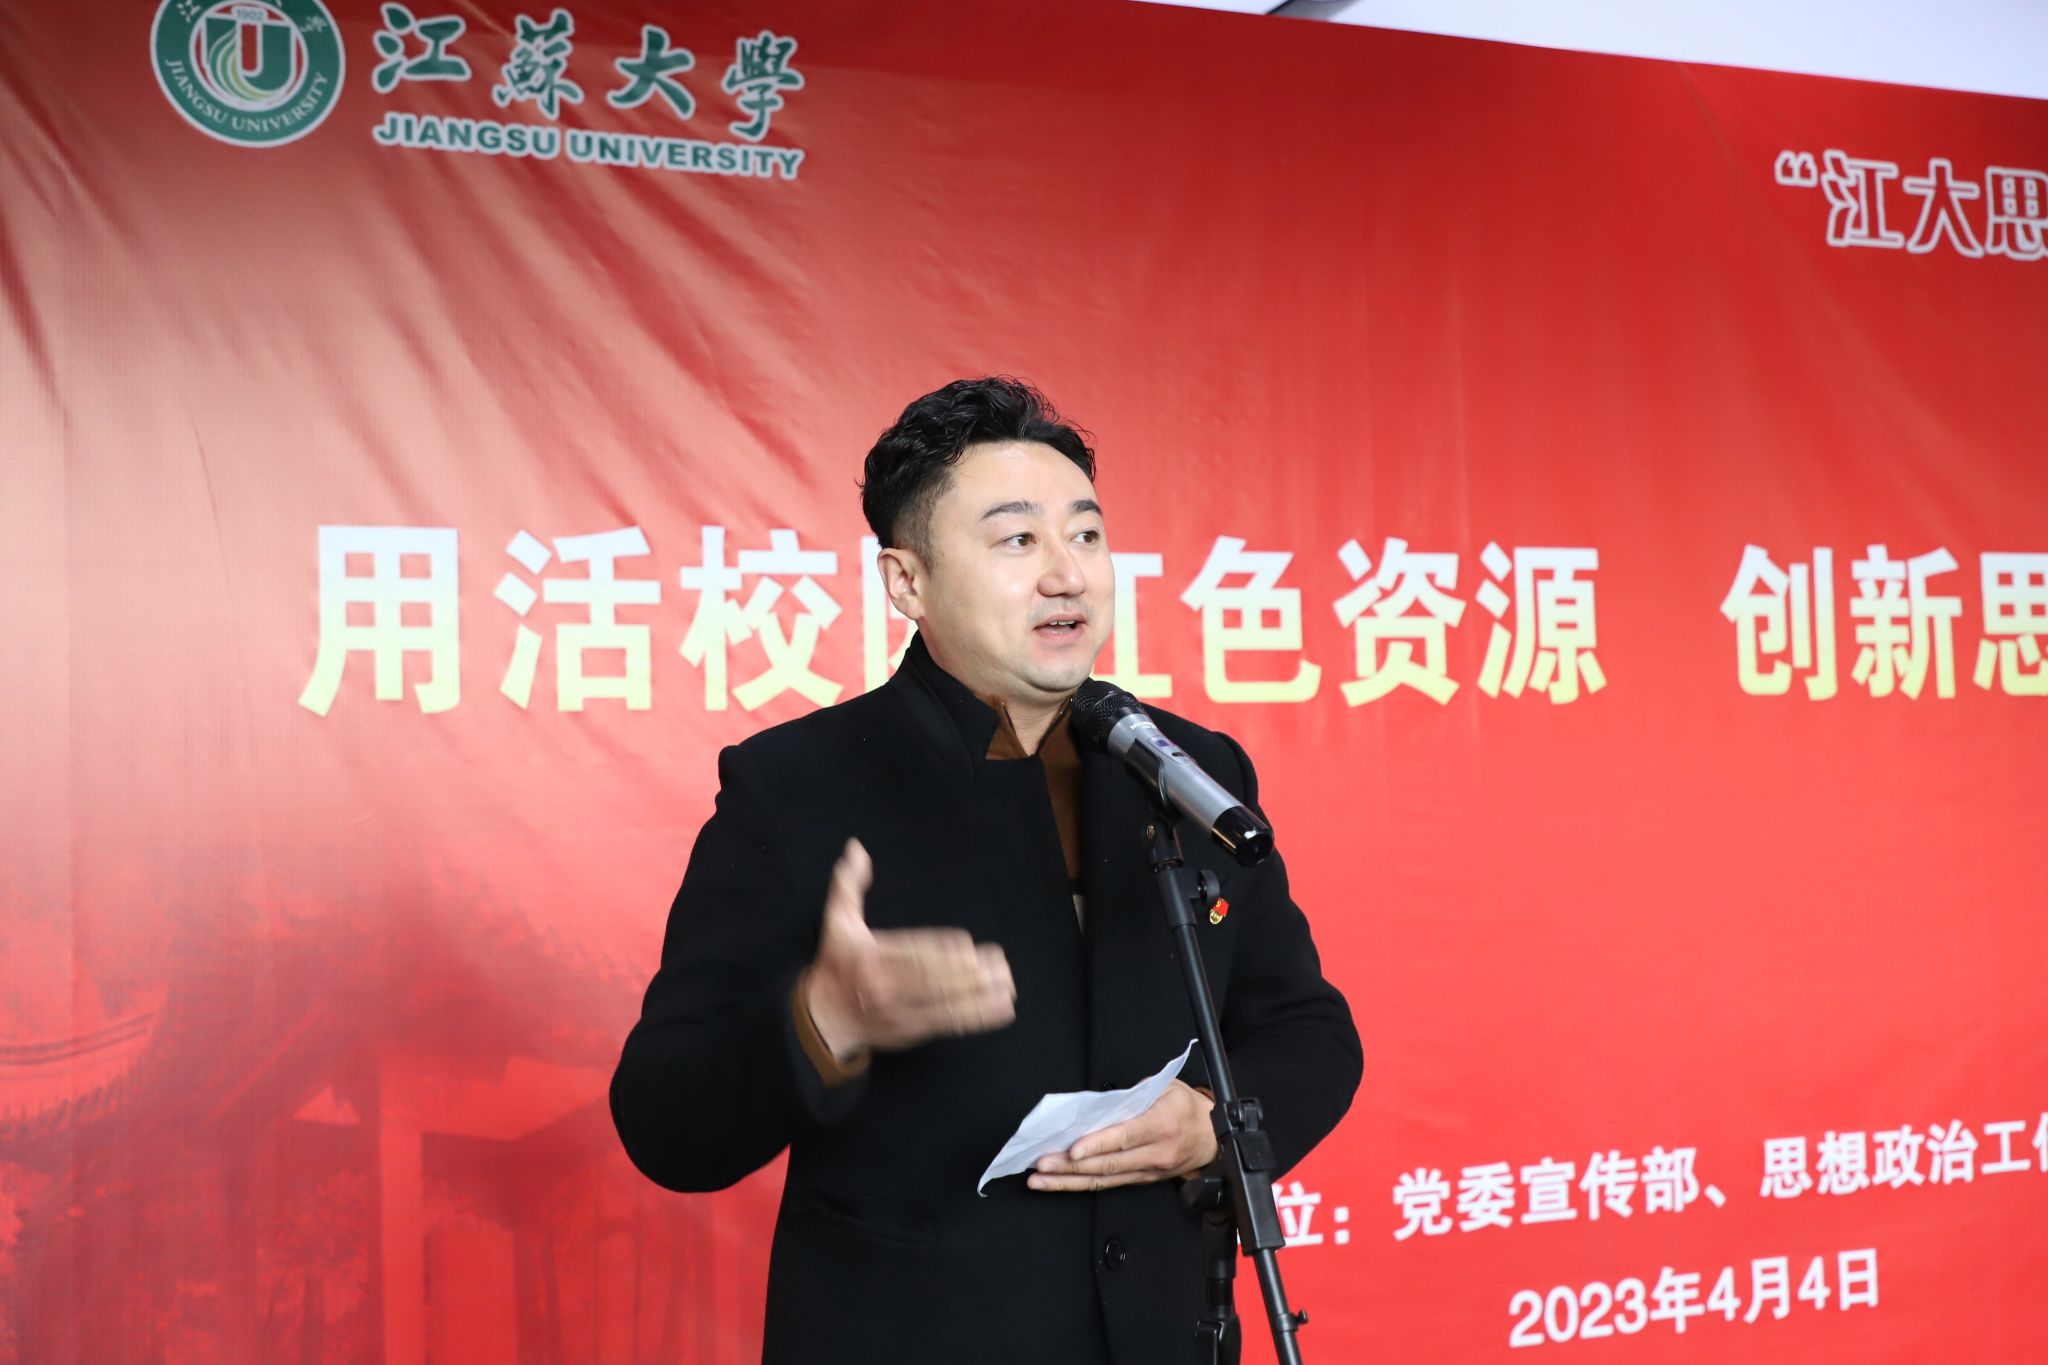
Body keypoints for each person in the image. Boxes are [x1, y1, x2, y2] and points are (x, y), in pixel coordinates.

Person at [611, 377, 1362, 1363]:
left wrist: (1212, 1124)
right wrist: (824, 1019)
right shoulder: (796, 785)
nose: (1066, 574)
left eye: (1085, 535)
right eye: (1016, 541)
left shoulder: (1188, 770)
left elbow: (1309, 1031)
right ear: (906, 583)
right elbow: (664, 1121)